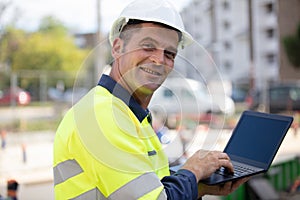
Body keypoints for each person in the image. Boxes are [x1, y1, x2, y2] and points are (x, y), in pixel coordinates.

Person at [53, 0, 249, 199]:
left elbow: (155, 191)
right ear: (117, 47)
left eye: (170, 53)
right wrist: (194, 171)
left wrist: (199, 188)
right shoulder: (103, 114)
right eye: (148, 47)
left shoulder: (132, 116)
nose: (158, 59)